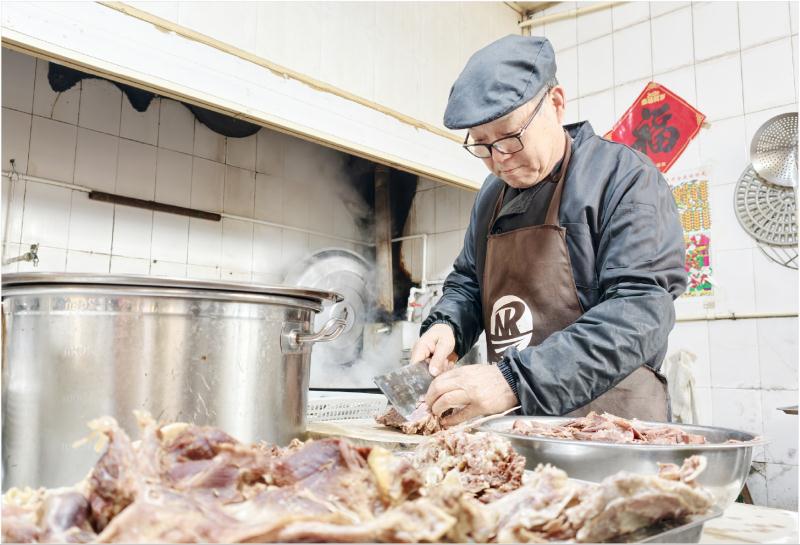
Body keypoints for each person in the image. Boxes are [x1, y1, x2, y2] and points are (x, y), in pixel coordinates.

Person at [410, 35, 687, 426]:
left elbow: (641, 310)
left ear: (556, 103)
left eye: (510, 138)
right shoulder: (492, 194)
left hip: (616, 430)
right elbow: (469, 281)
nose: (499, 161)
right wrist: (448, 323)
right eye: (482, 145)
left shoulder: (625, 178)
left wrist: (514, 379)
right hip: (521, 429)